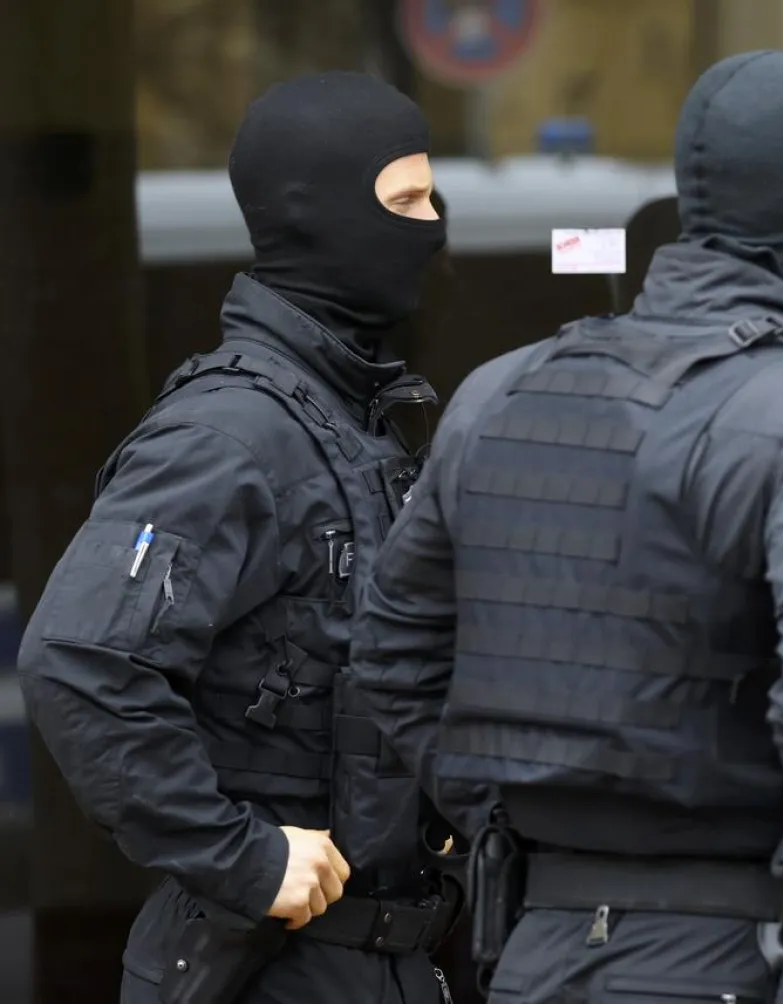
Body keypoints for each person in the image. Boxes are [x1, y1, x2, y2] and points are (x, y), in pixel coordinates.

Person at [347, 50, 783, 1004]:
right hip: (732, 947)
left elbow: (393, 649)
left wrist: (516, 819)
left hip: (536, 952)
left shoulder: (497, 395)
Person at [18, 71, 463, 1004]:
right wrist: (240, 857)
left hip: (383, 962)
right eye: (408, 199)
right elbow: (79, 661)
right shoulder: (229, 437)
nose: (434, 224)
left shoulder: (356, 420)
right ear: (319, 214)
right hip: (272, 967)